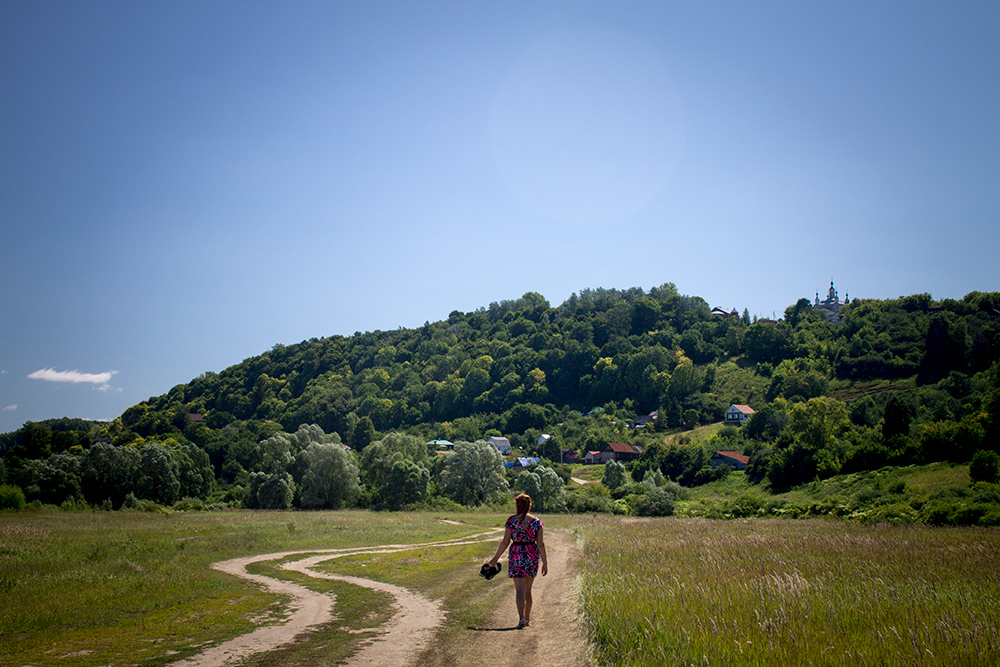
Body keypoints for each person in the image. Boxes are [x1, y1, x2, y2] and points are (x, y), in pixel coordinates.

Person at [486, 493, 548, 629]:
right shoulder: (536, 522)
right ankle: (527, 619)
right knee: (528, 590)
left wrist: (494, 559)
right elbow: (541, 544)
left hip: (516, 555)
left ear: (517, 505)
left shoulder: (511, 521)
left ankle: (520, 618)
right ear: (529, 505)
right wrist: (545, 562)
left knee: (519, 589)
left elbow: (505, 541)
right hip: (532, 555)